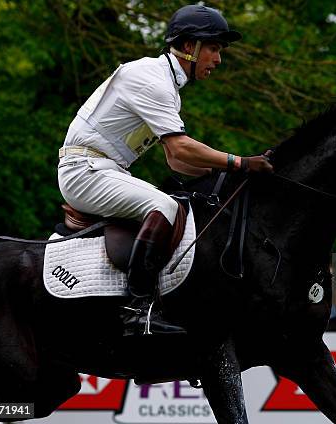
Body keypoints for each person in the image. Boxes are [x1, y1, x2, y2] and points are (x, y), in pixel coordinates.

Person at [57, 5, 273, 335]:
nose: (218, 60)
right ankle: (136, 309)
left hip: (101, 168)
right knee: (164, 205)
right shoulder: (151, 80)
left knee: (177, 203)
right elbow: (181, 148)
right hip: (84, 171)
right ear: (189, 47)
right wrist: (240, 162)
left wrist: (225, 175)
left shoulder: (166, 87)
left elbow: (176, 162)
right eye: (214, 49)